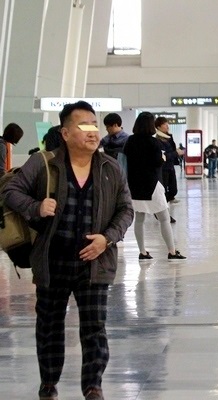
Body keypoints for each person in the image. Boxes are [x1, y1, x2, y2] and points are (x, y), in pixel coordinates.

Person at [2, 100, 134, 400]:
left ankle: (93, 386)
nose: (92, 131)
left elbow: (126, 210)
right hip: (52, 261)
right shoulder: (43, 164)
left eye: (94, 125)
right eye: (83, 125)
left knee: (94, 328)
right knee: (49, 326)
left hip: (94, 263)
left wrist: (107, 239)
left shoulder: (110, 168)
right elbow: (10, 191)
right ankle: (48, 382)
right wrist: (35, 207)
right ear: (65, 133)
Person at [123, 112, 186, 262]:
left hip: (134, 186)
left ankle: (142, 251)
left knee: (139, 219)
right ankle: (172, 250)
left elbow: (126, 159)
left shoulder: (130, 141)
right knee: (164, 218)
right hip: (152, 184)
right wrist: (163, 157)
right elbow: (158, 161)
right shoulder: (153, 142)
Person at [155, 117, 183, 207]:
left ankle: (170, 198)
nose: (167, 126)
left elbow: (172, 149)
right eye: (164, 124)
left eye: (167, 124)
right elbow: (164, 155)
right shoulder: (158, 140)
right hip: (164, 168)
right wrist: (176, 153)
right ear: (158, 127)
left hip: (170, 166)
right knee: (164, 187)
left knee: (173, 188)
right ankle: (163, 208)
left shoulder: (168, 137)